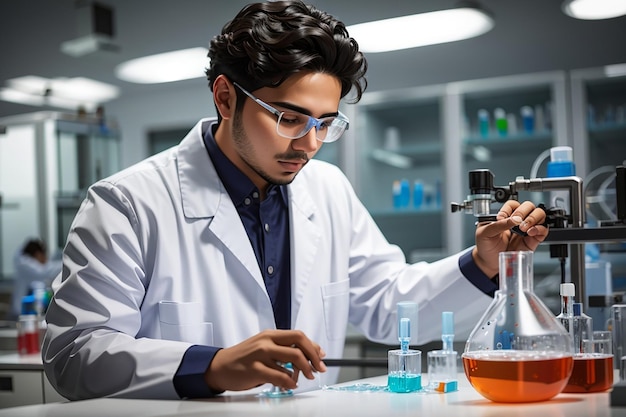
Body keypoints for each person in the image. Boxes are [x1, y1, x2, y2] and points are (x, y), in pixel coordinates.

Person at [42, 0, 548, 401]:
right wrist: (212, 366)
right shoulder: (127, 203)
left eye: (325, 123)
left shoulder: (326, 190)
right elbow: (74, 354)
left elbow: (390, 307)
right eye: (288, 118)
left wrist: (484, 263)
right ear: (225, 98)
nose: (308, 143)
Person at [11, 238, 61, 320]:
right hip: (21, 313)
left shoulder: (27, 265)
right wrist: (66, 262)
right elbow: (44, 271)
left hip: (27, 313)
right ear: (38, 254)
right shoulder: (25, 264)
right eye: (44, 255)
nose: (45, 259)